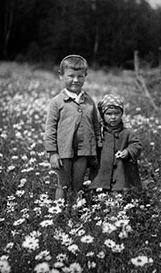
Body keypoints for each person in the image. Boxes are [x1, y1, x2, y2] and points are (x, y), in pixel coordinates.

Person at [44, 55, 101, 200]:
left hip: (83, 151)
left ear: (85, 76)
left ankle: (76, 213)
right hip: (64, 152)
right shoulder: (57, 102)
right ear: (61, 76)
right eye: (71, 76)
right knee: (63, 185)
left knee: (78, 184)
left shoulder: (89, 101)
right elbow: (50, 129)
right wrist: (52, 153)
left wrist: (97, 148)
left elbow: (96, 125)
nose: (75, 80)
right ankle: (59, 215)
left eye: (80, 76)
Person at [89, 94, 142, 193]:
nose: (113, 117)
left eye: (117, 113)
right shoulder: (99, 133)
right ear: (102, 115)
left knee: (120, 198)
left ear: (122, 114)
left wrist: (128, 151)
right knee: (100, 198)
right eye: (109, 114)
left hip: (122, 176)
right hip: (101, 174)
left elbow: (136, 145)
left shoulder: (127, 133)